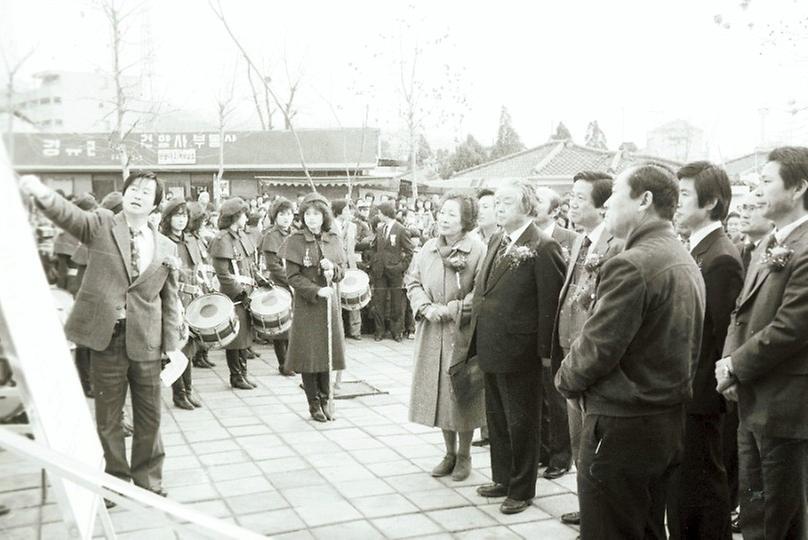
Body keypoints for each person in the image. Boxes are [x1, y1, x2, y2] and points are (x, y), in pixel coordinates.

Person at [555, 163, 706, 540]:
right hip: (663, 423)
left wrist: (564, 381)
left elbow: (596, 348)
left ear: (644, 200)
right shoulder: (681, 257)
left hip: (622, 427)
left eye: (615, 196)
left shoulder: (633, 263)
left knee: (610, 529)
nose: (606, 206)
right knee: (647, 528)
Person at [19, 171, 182, 502]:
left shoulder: (166, 245)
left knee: (149, 416)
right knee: (109, 416)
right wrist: (41, 192)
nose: (138, 194)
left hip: (147, 340)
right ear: (124, 195)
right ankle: (115, 482)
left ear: (155, 203)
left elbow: (171, 299)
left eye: (146, 192)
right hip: (107, 338)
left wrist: (174, 345)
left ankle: (149, 480)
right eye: (133, 189)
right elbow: (70, 217)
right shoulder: (103, 224)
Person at [716, 146, 808, 540]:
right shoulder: (770, 243)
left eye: (767, 180)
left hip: (785, 404)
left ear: (799, 187)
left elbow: (791, 326)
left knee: (776, 515)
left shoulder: (803, 247)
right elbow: (742, 313)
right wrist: (728, 365)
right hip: (755, 395)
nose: (758, 189)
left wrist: (735, 365)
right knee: (756, 508)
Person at [467, 180, 565, 515]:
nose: (498, 207)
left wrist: (545, 353)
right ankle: (503, 479)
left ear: (527, 206)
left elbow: (549, 304)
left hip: (522, 352)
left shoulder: (543, 246)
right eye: (496, 202)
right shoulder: (496, 238)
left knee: (522, 421)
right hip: (492, 344)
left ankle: (522, 488)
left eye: (506, 201)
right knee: (496, 417)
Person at [666, 162, 743, 539]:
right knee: (683, 491)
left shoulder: (721, 258)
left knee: (702, 492)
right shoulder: (697, 248)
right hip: (684, 392)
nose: (676, 204)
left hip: (699, 396)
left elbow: (715, 337)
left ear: (711, 201)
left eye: (683, 195)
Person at [553, 171, 622, 526]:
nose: (572, 203)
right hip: (571, 353)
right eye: (571, 196)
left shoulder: (614, 245)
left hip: (591, 360)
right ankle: (588, 510)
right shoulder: (582, 241)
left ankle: (598, 519)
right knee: (578, 441)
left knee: (592, 447)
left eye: (581, 197)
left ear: (603, 204)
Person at [405, 192, 487, 482]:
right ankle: (449, 452)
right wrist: (425, 307)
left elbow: (481, 293)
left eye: (452, 214)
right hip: (431, 330)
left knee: (460, 392)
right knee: (439, 393)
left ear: (466, 220)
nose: (444, 218)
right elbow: (412, 280)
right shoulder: (427, 247)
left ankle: (465, 455)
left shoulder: (477, 250)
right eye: (442, 212)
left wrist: (452, 309)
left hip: (460, 333)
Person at [282, 192, 346, 422]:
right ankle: (314, 403)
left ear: (324, 216)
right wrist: (316, 290)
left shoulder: (333, 239)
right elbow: (293, 277)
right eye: (307, 214)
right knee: (310, 356)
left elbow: (342, 270)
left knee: (327, 354)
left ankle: (326, 397)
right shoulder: (295, 241)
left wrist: (333, 271)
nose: (311, 219)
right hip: (308, 306)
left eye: (316, 214)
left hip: (329, 306)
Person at [209, 198, 262, 391]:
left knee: (245, 335)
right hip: (234, 296)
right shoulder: (222, 239)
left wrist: (260, 279)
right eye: (243, 214)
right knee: (235, 338)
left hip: (246, 293)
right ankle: (236, 376)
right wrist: (240, 292)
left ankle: (243, 373)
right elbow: (223, 274)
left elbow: (249, 265)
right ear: (235, 216)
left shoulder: (241, 236)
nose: (246, 217)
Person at [160, 197, 205, 411]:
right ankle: (179, 394)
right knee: (177, 348)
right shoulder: (162, 241)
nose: (181, 220)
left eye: (184, 215)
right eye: (177, 216)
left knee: (189, 349)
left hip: (191, 301)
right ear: (168, 219)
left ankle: (188, 390)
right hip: (173, 302)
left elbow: (197, 269)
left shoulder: (190, 240)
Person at [365, 202, 414, 342]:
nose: (378, 215)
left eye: (380, 212)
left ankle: (396, 332)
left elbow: (409, 251)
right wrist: (374, 262)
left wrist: (401, 267)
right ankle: (379, 331)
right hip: (380, 270)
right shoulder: (380, 229)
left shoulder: (401, 229)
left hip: (395, 271)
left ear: (386, 213)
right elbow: (374, 248)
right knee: (379, 301)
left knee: (396, 302)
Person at [260, 197, 295, 376]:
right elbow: (273, 265)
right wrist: (292, 279)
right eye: (282, 214)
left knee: (292, 325)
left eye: (289, 214)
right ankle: (284, 364)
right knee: (281, 327)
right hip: (280, 284)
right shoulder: (271, 236)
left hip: (295, 284)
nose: (286, 218)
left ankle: (292, 360)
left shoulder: (294, 233)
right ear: (275, 216)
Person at [332, 199, 362, 341]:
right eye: (345, 210)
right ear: (338, 211)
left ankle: (356, 330)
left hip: (350, 264)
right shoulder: (330, 226)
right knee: (337, 298)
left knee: (354, 298)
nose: (348, 213)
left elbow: (354, 245)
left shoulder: (353, 227)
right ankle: (339, 331)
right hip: (336, 265)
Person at [535, 187, 579, 263]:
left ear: (554, 211)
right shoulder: (523, 237)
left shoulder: (573, 239)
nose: (532, 205)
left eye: (539, 201)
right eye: (532, 201)